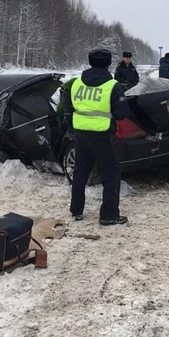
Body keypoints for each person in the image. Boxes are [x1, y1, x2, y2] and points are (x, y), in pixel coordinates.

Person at [64, 49, 129, 225]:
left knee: (80, 173)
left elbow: (68, 108)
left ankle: (76, 210)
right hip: (104, 137)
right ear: (108, 64)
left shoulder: (76, 84)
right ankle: (108, 215)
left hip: (82, 136)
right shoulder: (112, 86)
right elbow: (122, 114)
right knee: (110, 175)